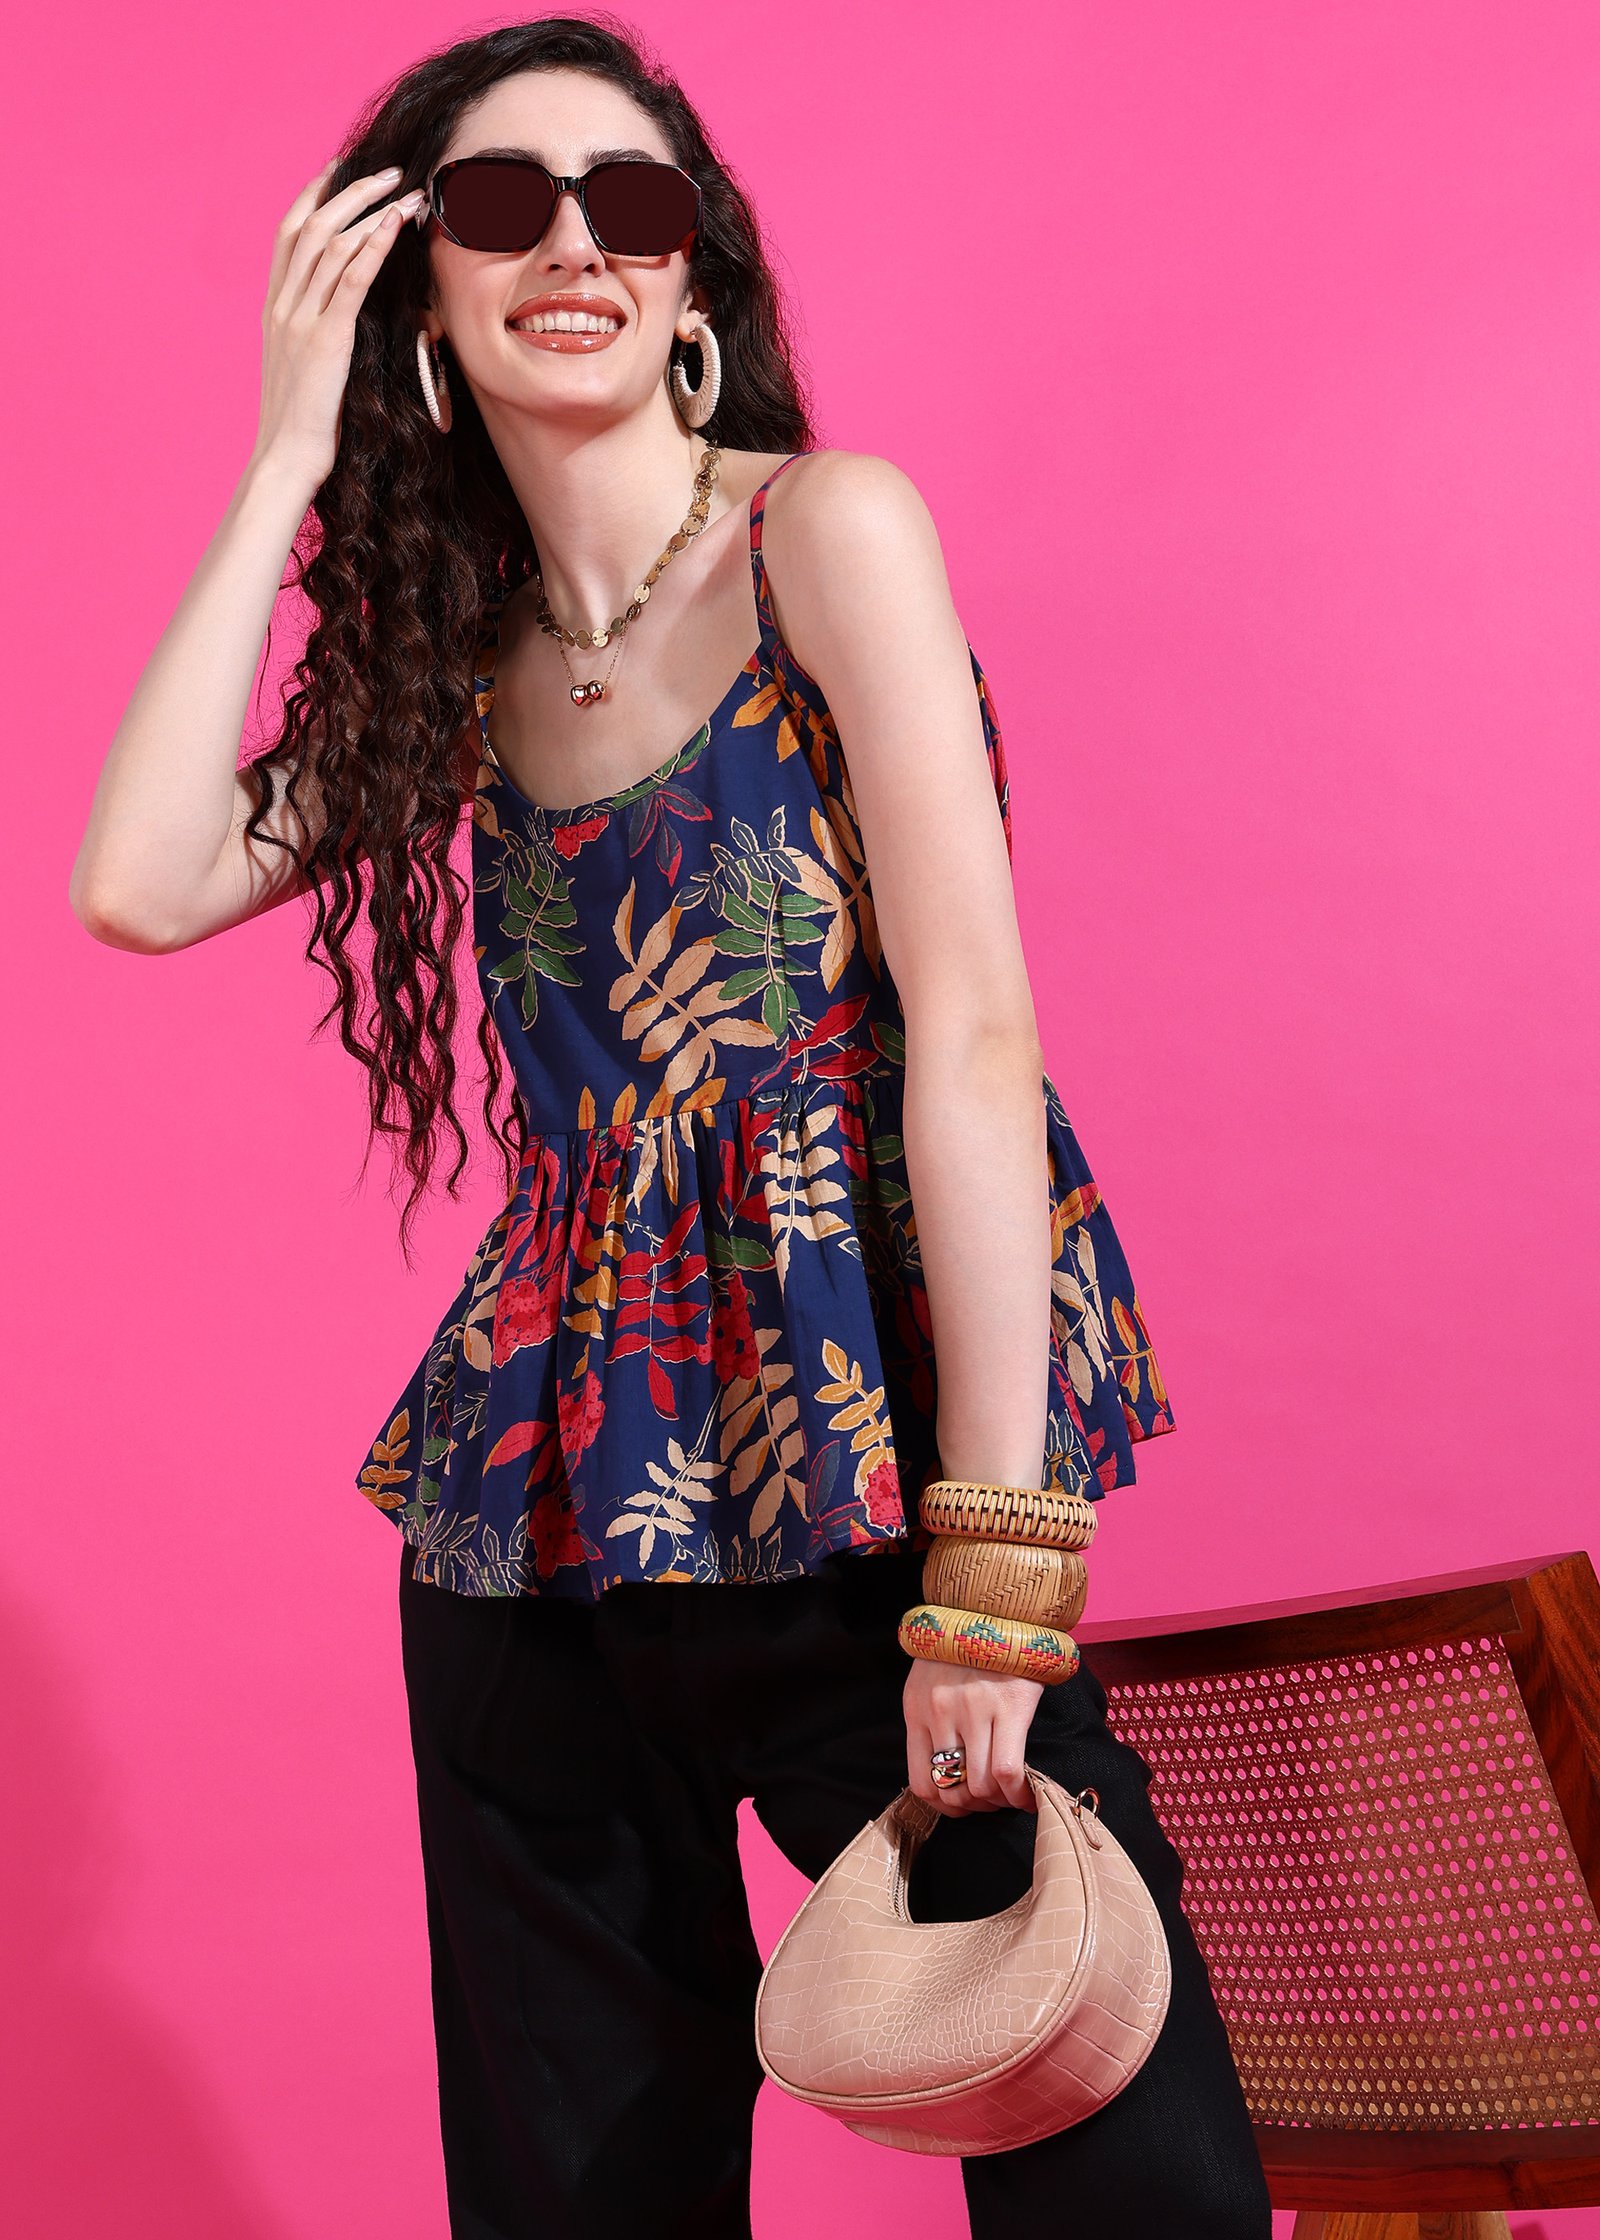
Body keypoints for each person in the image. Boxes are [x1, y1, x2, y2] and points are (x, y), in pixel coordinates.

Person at [70, 16, 1272, 2238]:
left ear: (691, 273)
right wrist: (279, 457)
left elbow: (971, 1034)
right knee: (574, 2196)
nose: (571, 247)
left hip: (849, 1460)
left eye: (626, 201)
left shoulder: (827, 531)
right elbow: (138, 883)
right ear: (416, 295)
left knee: (1133, 2176)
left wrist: (993, 1578)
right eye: (495, 207)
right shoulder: (462, 663)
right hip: (536, 1526)